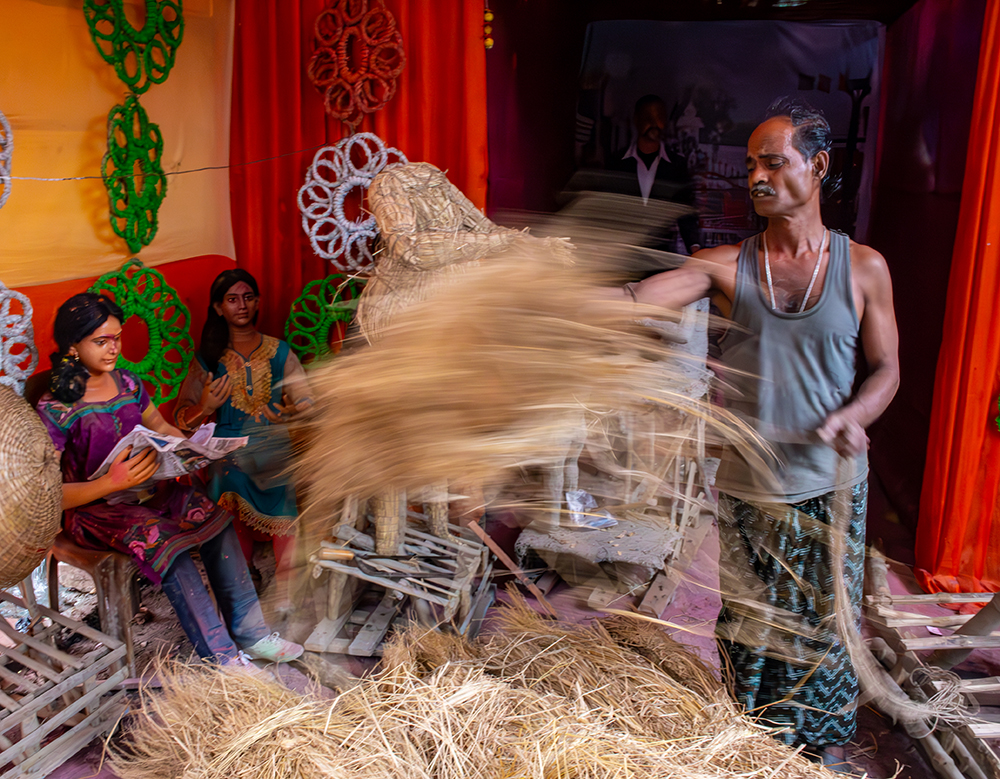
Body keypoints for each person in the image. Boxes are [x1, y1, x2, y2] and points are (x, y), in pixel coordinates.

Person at [617, 98, 899, 767]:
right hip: (751, 487)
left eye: (773, 161)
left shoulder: (864, 268)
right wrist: (541, 299)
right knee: (748, 627)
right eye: (750, 165)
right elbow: (637, 300)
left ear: (818, 165)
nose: (756, 177)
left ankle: (820, 749)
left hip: (831, 487)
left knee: (826, 627)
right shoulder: (725, 266)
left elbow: (887, 370)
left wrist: (855, 415)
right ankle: (754, 744)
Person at [35, 292, 303, 666]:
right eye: (101, 341)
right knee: (168, 545)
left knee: (214, 518)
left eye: (117, 337)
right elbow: (47, 496)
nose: (113, 349)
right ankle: (222, 658)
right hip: (95, 512)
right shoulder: (55, 407)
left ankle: (252, 634)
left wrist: (195, 449)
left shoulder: (128, 384)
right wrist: (110, 483)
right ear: (73, 346)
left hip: (148, 494)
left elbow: (160, 426)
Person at [175, 269, 311, 607]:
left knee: (284, 476)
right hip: (227, 448)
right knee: (228, 474)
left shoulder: (280, 351)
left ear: (258, 302)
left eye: (248, 297)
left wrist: (294, 410)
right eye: (232, 299)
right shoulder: (208, 358)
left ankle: (286, 587)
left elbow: (307, 399)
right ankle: (243, 575)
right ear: (218, 308)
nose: (242, 305)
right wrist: (206, 405)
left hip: (274, 442)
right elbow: (181, 417)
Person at [609, 94, 701, 254]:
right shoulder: (615, 162)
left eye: (659, 117)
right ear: (636, 119)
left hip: (661, 256)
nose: (654, 123)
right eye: (647, 117)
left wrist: (696, 249)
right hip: (623, 254)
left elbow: (685, 211)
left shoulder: (677, 165)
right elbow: (608, 209)